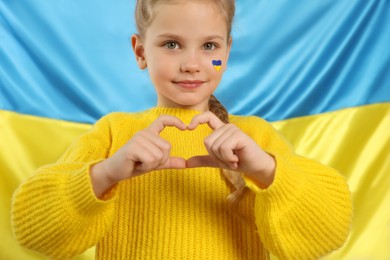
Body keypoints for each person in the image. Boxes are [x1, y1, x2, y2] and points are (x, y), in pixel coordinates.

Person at [11, 0, 353, 259]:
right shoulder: (115, 133)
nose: (191, 64)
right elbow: (32, 232)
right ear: (141, 51)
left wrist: (265, 168)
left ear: (227, 52)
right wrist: (106, 173)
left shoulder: (255, 138)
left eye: (210, 47)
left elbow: (328, 234)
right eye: (171, 44)